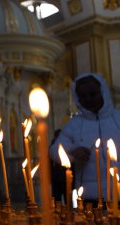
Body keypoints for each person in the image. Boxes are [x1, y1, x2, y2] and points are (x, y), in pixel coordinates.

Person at [49, 72, 120, 207]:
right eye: (83, 96)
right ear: (78, 99)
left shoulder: (118, 118)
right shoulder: (75, 124)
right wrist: (71, 152)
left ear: (102, 92)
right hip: (90, 196)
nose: (88, 99)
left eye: (93, 94)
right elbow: (54, 150)